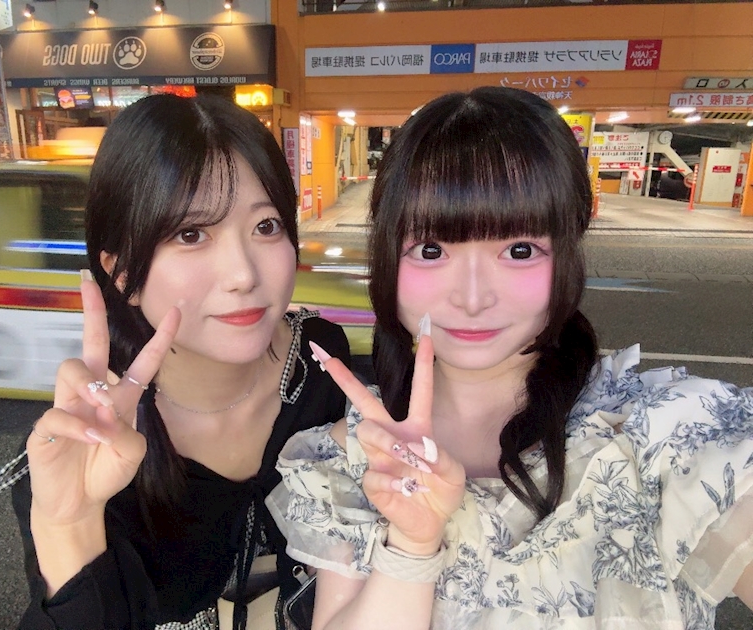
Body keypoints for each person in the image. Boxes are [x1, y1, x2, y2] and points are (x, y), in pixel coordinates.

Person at [267, 87, 753, 629]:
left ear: (568, 252)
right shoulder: (355, 458)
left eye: (520, 250)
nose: (473, 298)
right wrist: (411, 544)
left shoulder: (660, 437)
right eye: (431, 250)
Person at [0, 93, 350, 629]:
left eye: (266, 226)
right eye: (191, 234)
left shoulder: (319, 364)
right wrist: (69, 526)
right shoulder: (85, 450)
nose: (243, 275)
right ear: (122, 274)